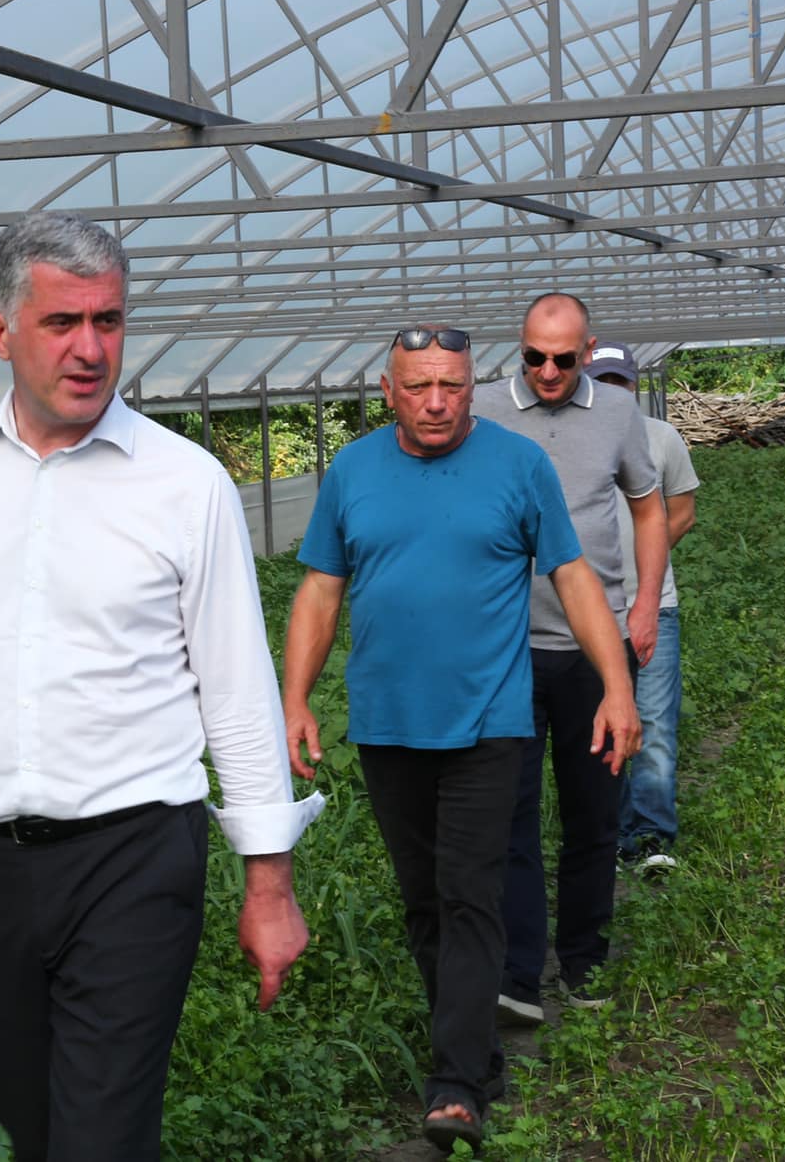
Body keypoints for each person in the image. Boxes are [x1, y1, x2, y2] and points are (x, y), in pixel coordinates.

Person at [0, 211, 320, 1162]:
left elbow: (236, 692)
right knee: (23, 1108)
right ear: (1, 332)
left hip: (133, 857)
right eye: (62, 322)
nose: (90, 348)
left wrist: (268, 884)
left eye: (108, 321)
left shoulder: (186, 485)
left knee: (100, 1134)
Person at [281, 326, 637, 1155]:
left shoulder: (519, 465)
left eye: (451, 386)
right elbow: (321, 590)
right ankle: (479, 1053)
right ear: (387, 391)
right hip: (387, 724)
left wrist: (616, 685)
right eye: (418, 387)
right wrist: (293, 698)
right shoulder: (353, 471)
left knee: (470, 892)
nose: (436, 403)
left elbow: (573, 576)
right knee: (424, 900)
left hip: (489, 721)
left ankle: (456, 1085)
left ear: (473, 386)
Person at [473, 293, 666, 1023]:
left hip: (594, 649)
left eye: (561, 358)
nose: (547, 371)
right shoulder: (482, 409)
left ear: (587, 353)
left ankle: (584, 961)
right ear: (518, 348)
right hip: (508, 649)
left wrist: (643, 604)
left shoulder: (617, 413)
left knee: (593, 814)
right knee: (510, 814)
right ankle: (518, 974)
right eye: (533, 356)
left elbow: (647, 507)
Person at [586, 344, 699, 876]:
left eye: (619, 382)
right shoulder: (568, 442)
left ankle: (651, 834)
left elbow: (683, 512)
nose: (612, 391)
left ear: (633, 386)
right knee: (600, 725)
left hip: (656, 607)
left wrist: (646, 568)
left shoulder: (661, 438)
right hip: (590, 613)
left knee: (653, 721)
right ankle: (608, 834)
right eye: (601, 381)